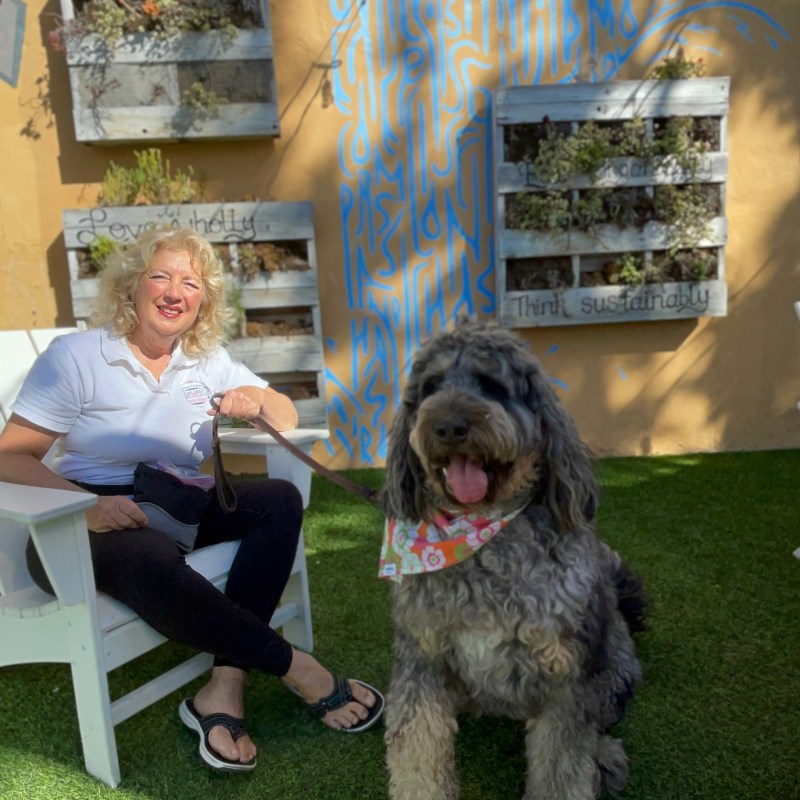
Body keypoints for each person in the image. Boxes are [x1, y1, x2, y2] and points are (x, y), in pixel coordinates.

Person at [0, 226, 384, 773]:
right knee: (150, 558)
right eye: (160, 276)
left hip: (173, 505)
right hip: (72, 521)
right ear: (132, 287)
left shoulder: (205, 359)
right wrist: (86, 507)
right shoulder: (78, 358)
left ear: (203, 302)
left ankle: (223, 685)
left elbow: (286, 415)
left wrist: (258, 398)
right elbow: (9, 456)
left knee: (278, 500)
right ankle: (298, 669)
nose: (175, 291)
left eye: (192, 282)